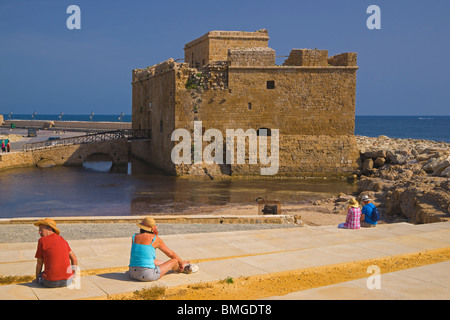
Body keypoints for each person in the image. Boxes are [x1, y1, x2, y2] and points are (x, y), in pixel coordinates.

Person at [128, 217, 198, 282]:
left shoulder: (134, 237)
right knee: (174, 260)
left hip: (132, 273)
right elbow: (171, 254)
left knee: (151, 260)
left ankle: (172, 266)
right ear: (152, 229)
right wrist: (181, 262)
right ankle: (181, 268)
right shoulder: (155, 239)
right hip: (147, 276)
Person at [33, 218, 78, 288]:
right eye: (39, 230)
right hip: (68, 280)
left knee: (41, 275)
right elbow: (74, 259)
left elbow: (39, 262)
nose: (39, 232)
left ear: (50, 229)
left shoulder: (42, 241)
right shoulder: (63, 240)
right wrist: (74, 275)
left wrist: (37, 279)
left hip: (50, 282)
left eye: (41, 230)